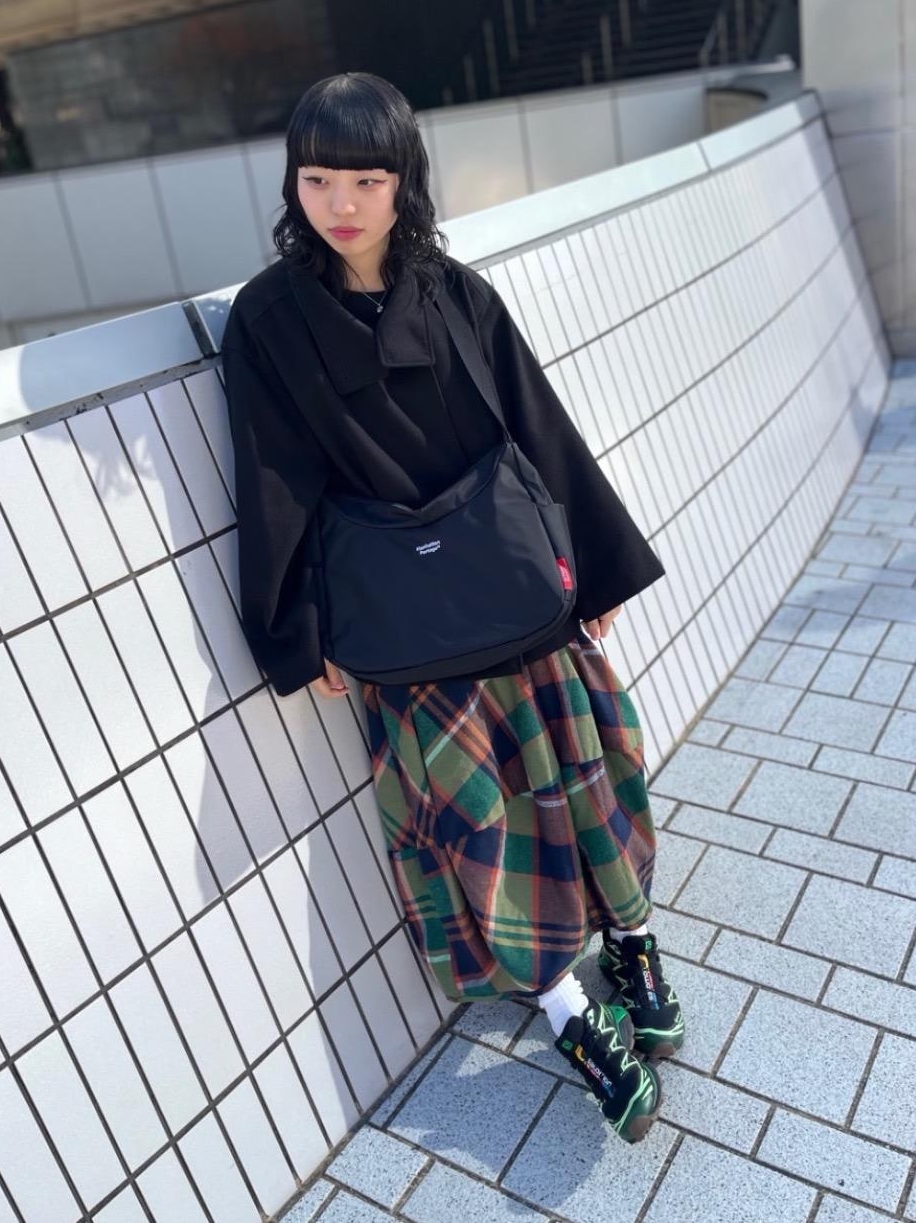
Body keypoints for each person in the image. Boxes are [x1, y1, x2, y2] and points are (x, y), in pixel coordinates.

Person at [221, 71, 685, 1144]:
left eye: (366, 179)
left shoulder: (454, 291)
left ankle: (632, 945)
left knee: (595, 783)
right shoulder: (268, 319)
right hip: (405, 628)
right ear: (292, 183)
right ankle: (568, 1014)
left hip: (519, 599)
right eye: (318, 178)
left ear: (404, 180)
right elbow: (271, 477)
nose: (342, 203)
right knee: (480, 826)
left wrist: (596, 567)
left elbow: (536, 423)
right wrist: (297, 634)